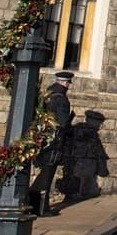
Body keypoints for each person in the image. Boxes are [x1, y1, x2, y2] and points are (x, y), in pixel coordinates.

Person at [28, 69, 74, 216]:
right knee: (47, 174)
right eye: (68, 82)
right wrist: (70, 119)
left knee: (45, 172)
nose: (68, 85)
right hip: (55, 140)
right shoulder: (61, 98)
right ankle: (40, 207)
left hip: (43, 138)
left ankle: (37, 204)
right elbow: (62, 122)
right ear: (66, 83)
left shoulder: (48, 94)